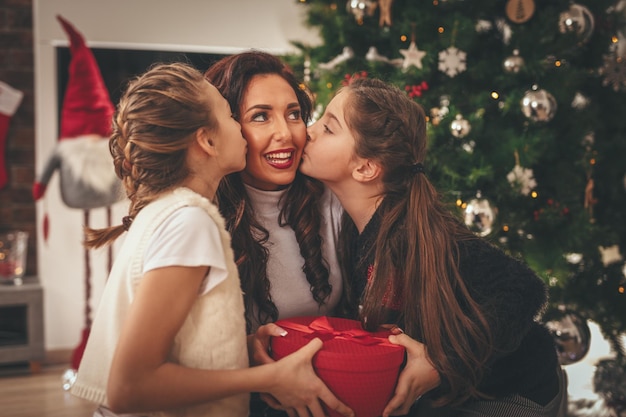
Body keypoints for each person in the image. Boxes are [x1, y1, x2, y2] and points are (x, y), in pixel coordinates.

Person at [69, 62, 353, 417]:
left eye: (294, 113)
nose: (287, 133)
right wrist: (266, 377)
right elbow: (129, 387)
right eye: (239, 118)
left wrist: (244, 348)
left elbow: (181, 344)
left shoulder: (169, 212)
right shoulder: (191, 222)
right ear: (207, 139)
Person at [300, 77, 568, 417]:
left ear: (365, 167)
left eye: (328, 128)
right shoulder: (357, 229)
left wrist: (443, 363)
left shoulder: (413, 232)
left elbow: (525, 289)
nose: (308, 132)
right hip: (459, 392)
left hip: (515, 391)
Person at [204, 50, 345, 417]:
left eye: (294, 114)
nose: (286, 133)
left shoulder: (331, 199)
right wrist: (246, 351)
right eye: (261, 116)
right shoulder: (201, 217)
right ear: (227, 128)